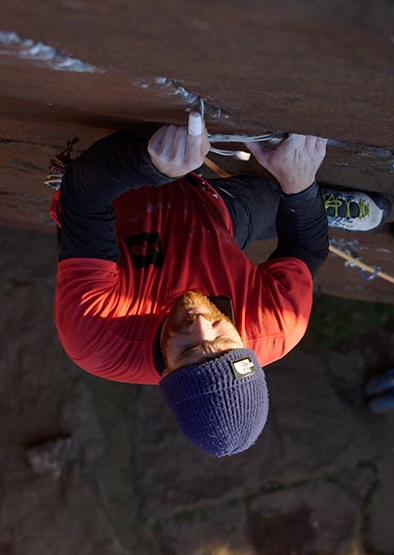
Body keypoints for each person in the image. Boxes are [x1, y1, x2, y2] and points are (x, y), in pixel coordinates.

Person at [50, 112, 329, 457]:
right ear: (249, 351)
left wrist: (149, 165)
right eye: (224, 342)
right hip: (211, 218)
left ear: (165, 373)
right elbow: (305, 249)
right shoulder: (278, 324)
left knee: (139, 145)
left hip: (119, 197)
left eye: (189, 350)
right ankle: (324, 207)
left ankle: (316, 206)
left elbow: (81, 198)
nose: (201, 326)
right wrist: (301, 188)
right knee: (284, 197)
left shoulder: (97, 334)